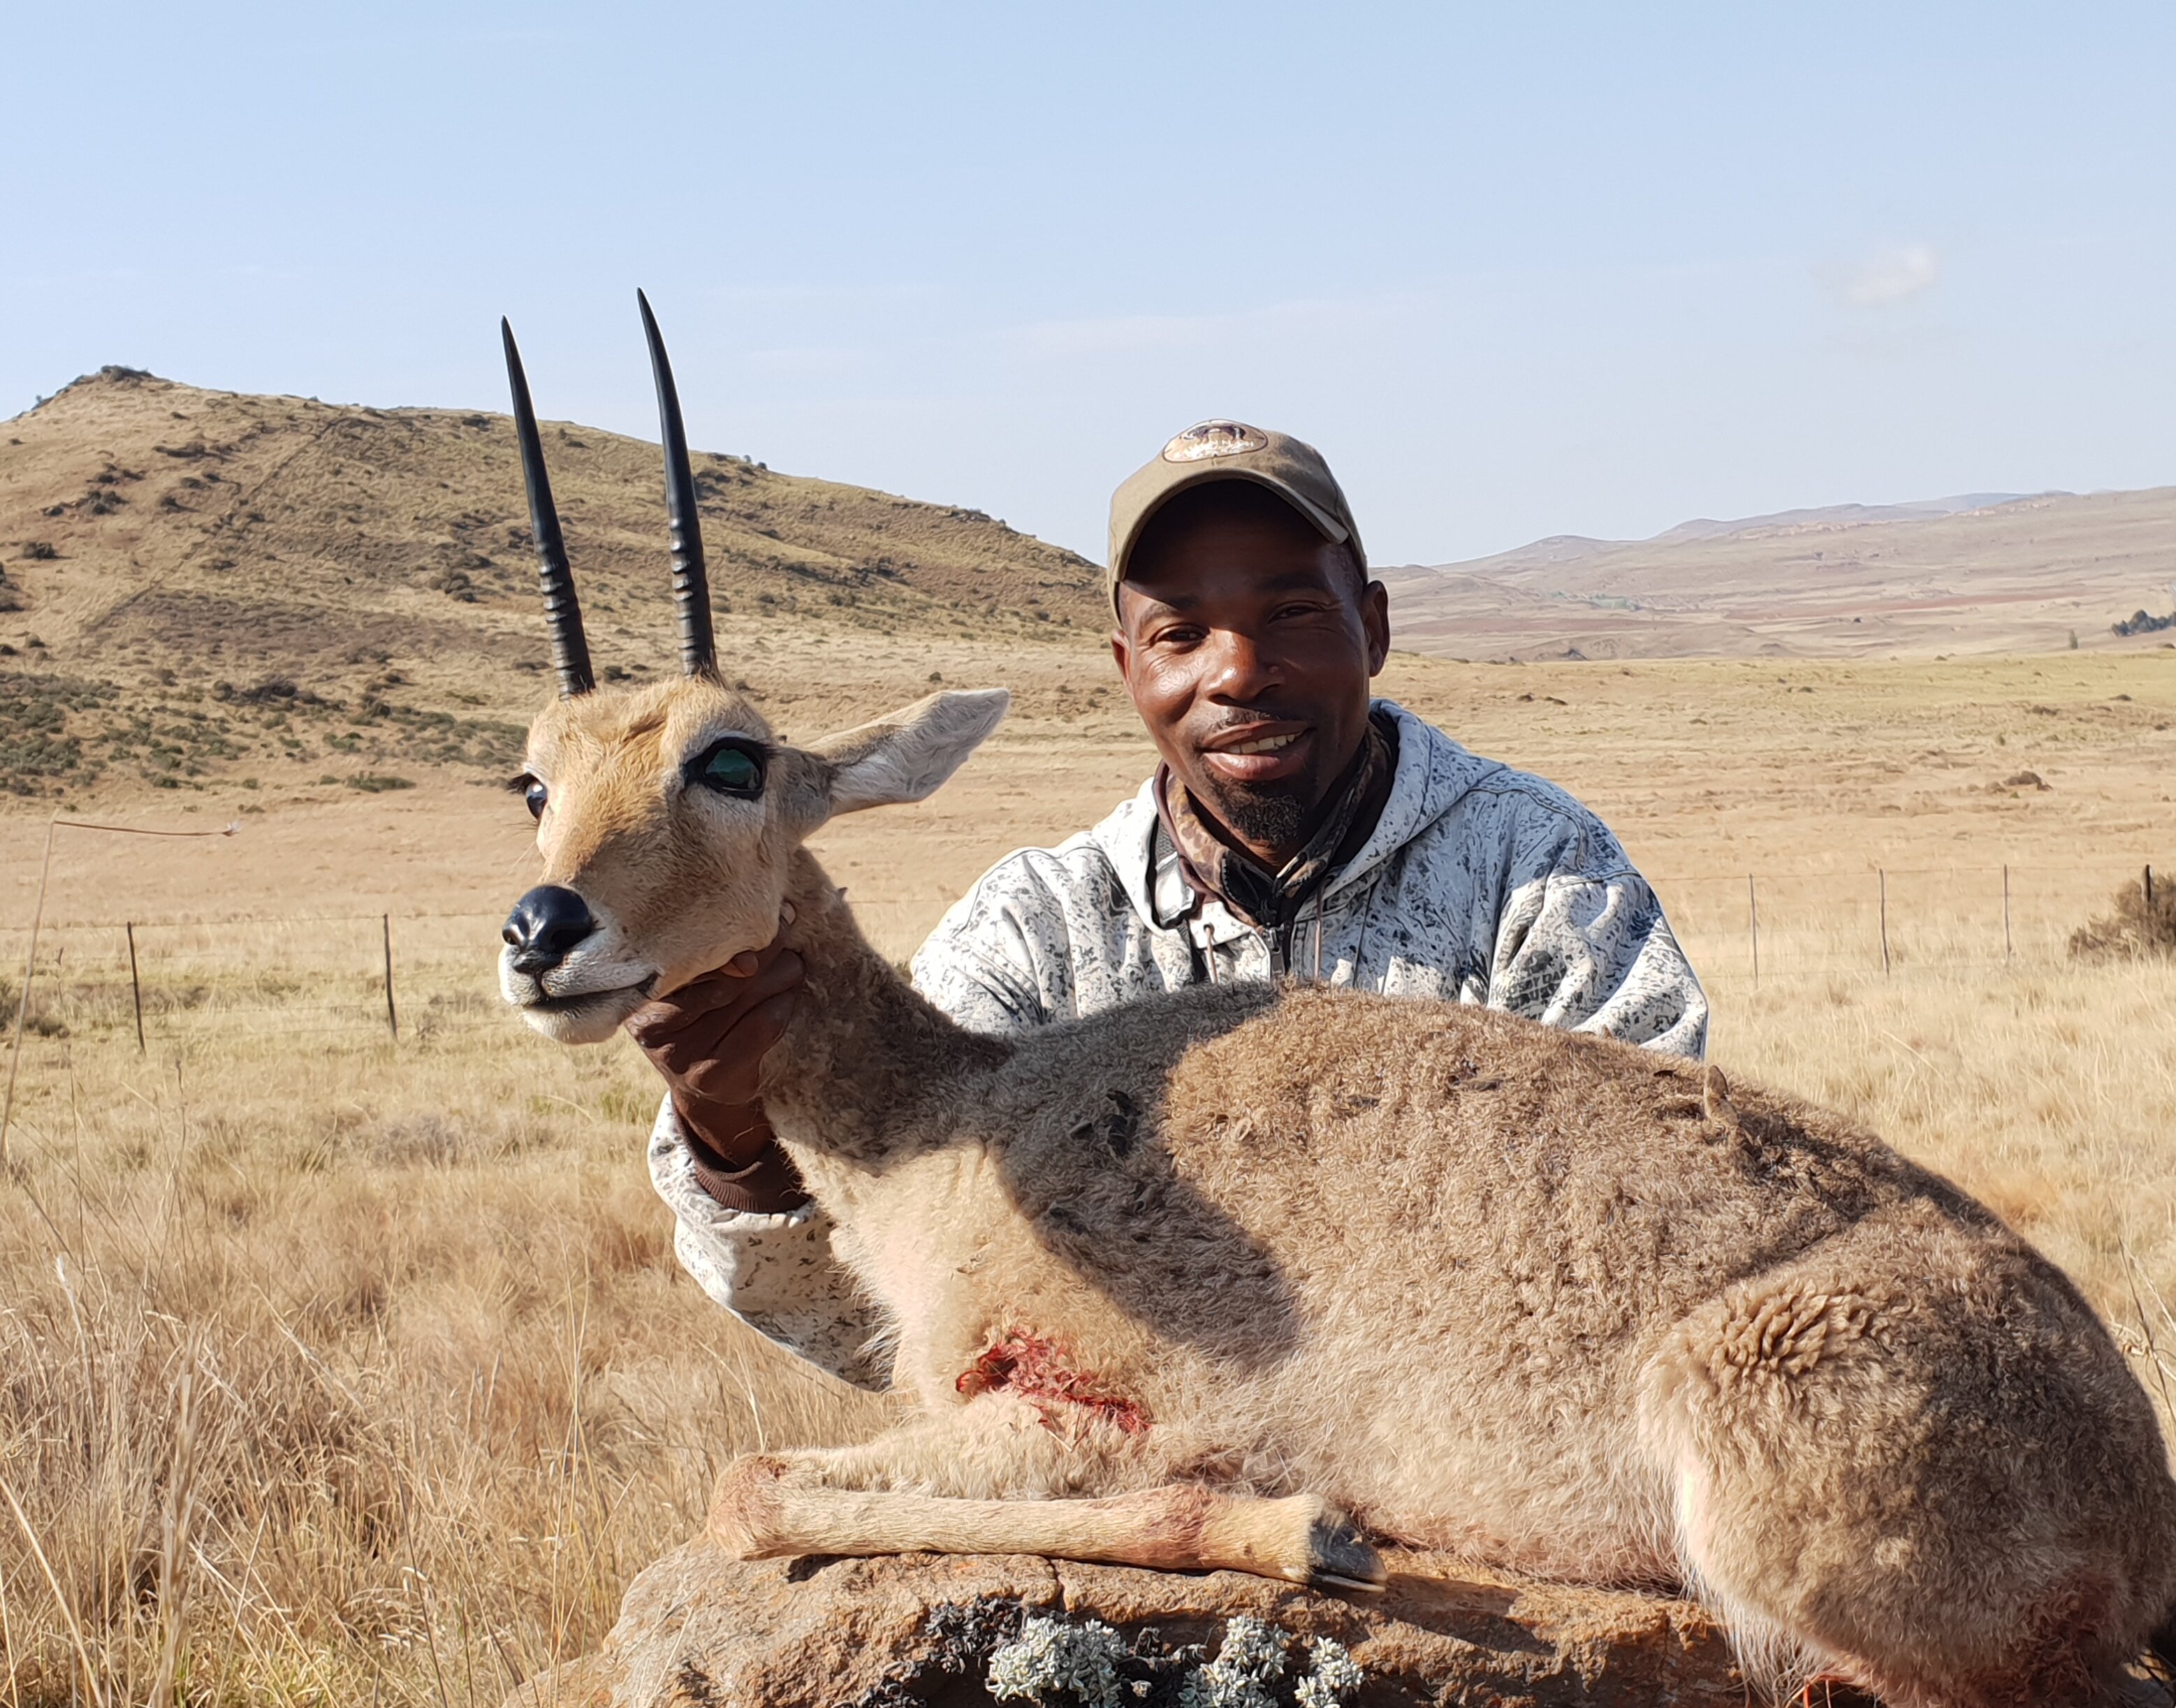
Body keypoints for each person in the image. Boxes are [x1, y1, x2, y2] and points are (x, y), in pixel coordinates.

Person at [631, 420, 1709, 1382]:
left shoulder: (1534, 867)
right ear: (1127, 668)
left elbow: (1667, 1222)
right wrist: (736, 1144)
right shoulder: (1038, 932)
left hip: (1479, 1460)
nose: (1237, 672)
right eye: (1181, 634)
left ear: (1372, 629)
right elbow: (887, 1323)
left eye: (1290, 613)